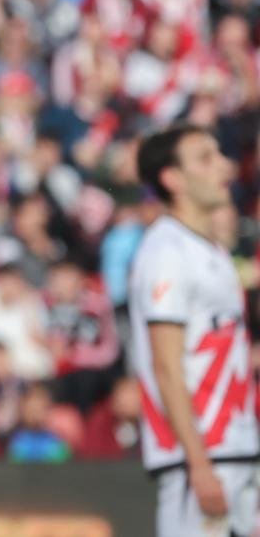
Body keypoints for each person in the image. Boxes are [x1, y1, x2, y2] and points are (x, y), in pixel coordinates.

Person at [130, 123, 258, 537]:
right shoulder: (167, 252)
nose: (224, 166)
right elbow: (166, 366)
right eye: (206, 157)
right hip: (199, 460)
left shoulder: (213, 252)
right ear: (173, 179)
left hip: (236, 452)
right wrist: (198, 465)